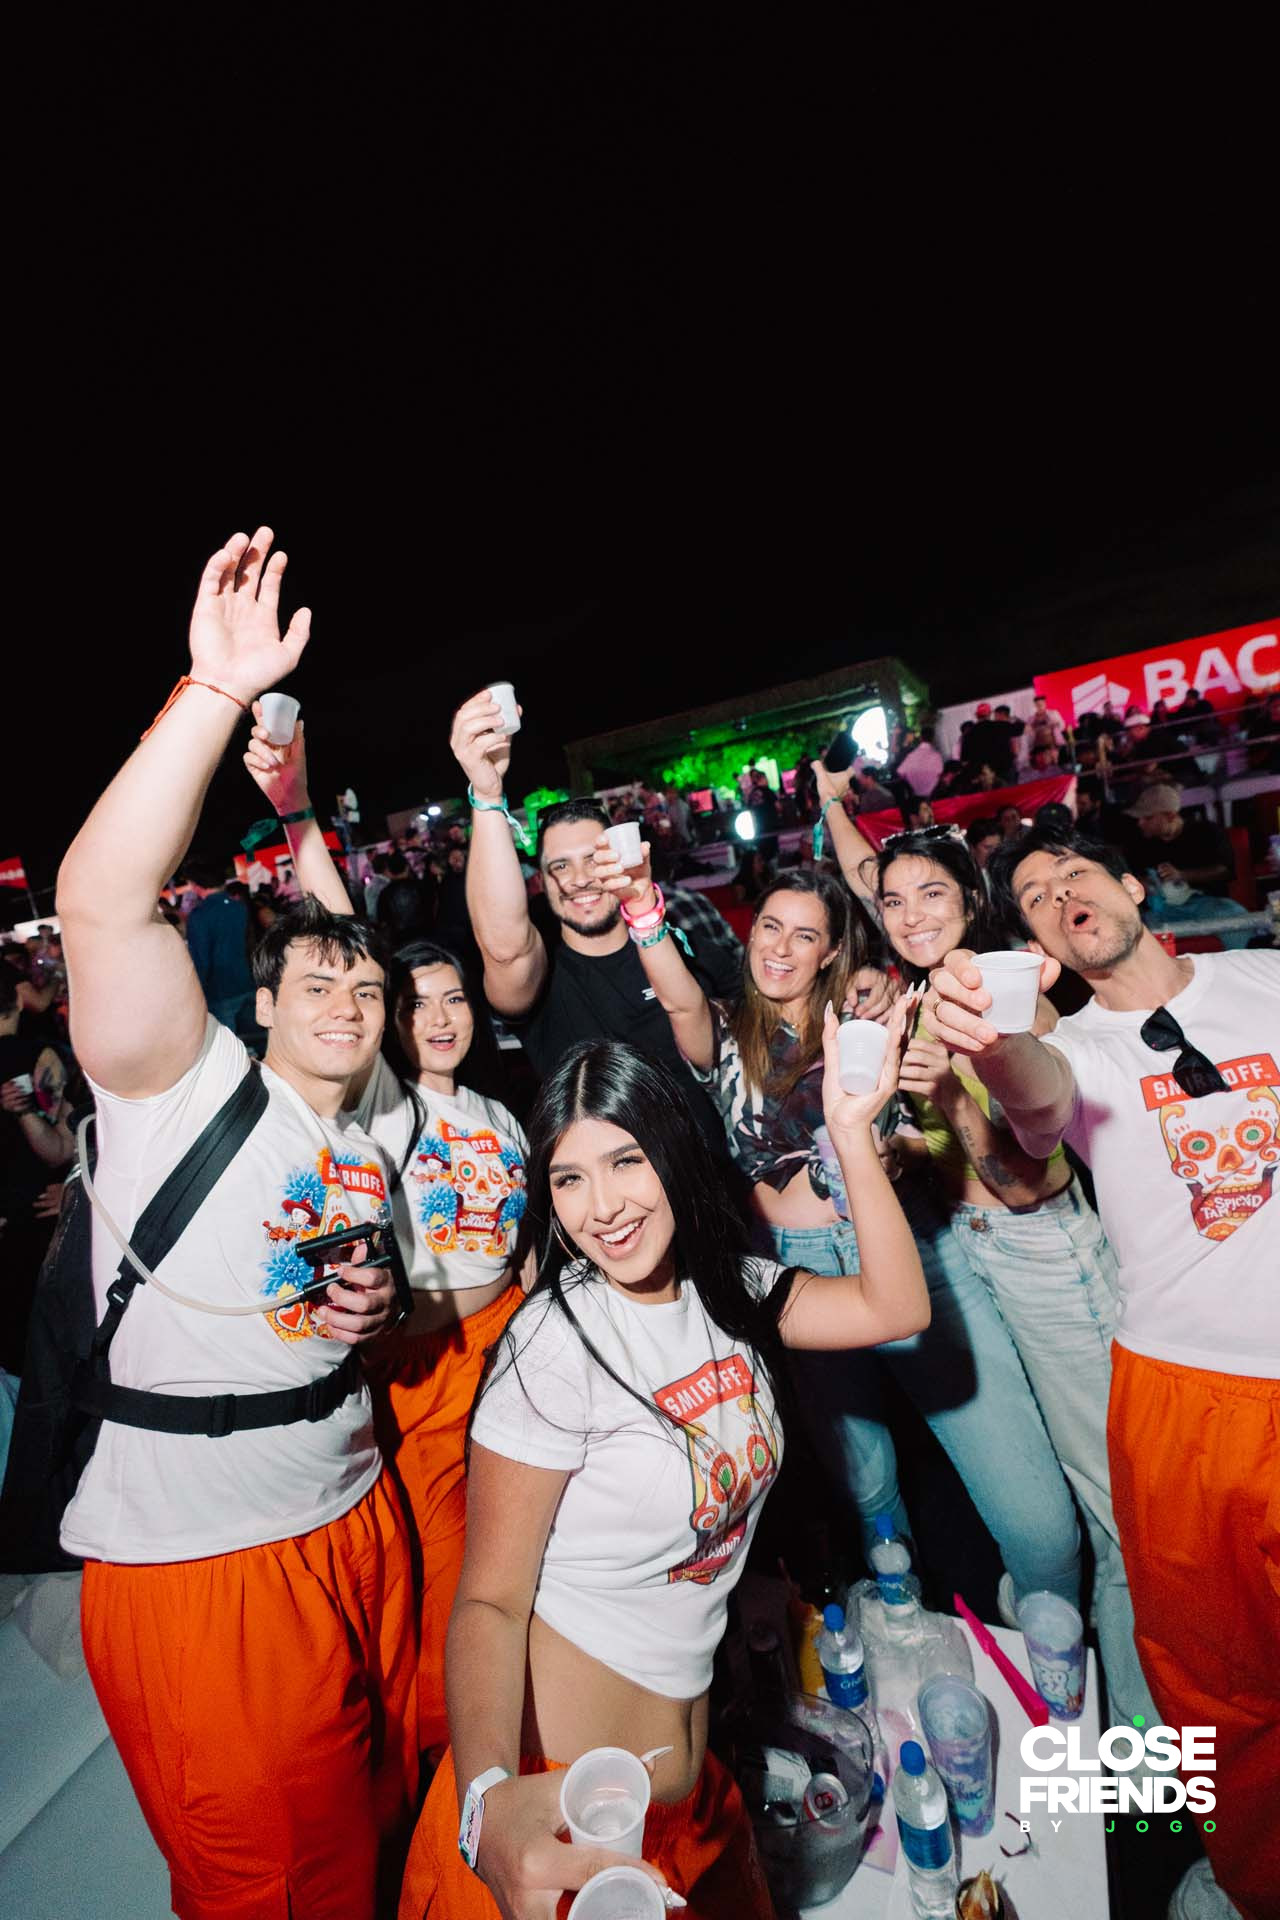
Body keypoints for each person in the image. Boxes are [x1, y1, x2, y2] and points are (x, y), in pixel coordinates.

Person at [56, 528, 416, 1920]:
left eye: (364, 993)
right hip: (205, 1565)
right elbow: (99, 902)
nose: (346, 1004)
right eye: (313, 986)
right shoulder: (179, 1081)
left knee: (381, 1831)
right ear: (258, 1006)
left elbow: (353, 942)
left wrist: (377, 1310)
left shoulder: (364, 1136)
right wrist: (213, 693)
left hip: (356, 1511)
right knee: (280, 1889)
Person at [397, 1033, 929, 1919]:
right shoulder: (553, 1346)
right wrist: (485, 1803)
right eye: (569, 1179)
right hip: (567, 1807)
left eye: (625, 1161)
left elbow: (895, 1306)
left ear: (673, 1152)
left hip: (694, 1789)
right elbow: (488, 1601)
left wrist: (847, 1132)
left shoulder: (734, 1291)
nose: (602, 1206)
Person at [593, 819, 1084, 1620]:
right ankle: (904, 1631)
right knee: (870, 1492)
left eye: (805, 935)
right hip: (798, 1275)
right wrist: (643, 906)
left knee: (1039, 1521)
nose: (781, 948)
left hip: (914, 1251)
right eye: (770, 928)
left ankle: (1055, 1647)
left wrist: (900, 1142)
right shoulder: (723, 1032)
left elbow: (937, 1112)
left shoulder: (873, 1016)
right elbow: (677, 992)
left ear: (831, 952)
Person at [928, 824, 1279, 1920]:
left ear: (1132, 885)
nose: (1057, 893)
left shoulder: (1262, 977)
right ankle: (1254, 1880)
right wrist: (991, 1043)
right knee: (1215, 1683)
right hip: (1180, 1400)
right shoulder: (1077, 1050)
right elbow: (1033, 1102)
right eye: (1033, 897)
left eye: (1072, 872)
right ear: (1038, 950)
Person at [243, 706, 529, 1761]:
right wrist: (298, 815)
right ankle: (452, 1780)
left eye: (454, 1000)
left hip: (513, 1358)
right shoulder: (385, 1106)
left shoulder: (501, 1117)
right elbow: (339, 929)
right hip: (422, 1378)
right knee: (448, 1590)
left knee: (530, 1566)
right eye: (412, 1003)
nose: (439, 1018)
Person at [867, 827, 1155, 1727]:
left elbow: (1028, 1181)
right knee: (1060, 1501)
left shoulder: (1010, 994)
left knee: (1122, 1514)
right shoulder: (921, 1000)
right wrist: (903, 1142)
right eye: (894, 900)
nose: (912, 915)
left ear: (970, 901)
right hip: (974, 1247)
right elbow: (951, 1155)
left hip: (1043, 1250)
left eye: (933, 894)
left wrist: (947, 1099)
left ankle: (1150, 1749)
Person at [447, 689, 746, 1142]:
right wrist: (488, 797)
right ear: (542, 881)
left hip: (708, 1173)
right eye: (560, 867)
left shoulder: (681, 947)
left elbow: (759, 1028)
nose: (580, 879)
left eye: (594, 859)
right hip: (602, 1180)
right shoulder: (542, 977)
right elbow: (505, 949)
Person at [184, 859, 259, 1042]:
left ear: (196, 885)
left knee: (228, 1045)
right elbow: (249, 944)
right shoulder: (238, 908)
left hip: (219, 990)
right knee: (256, 1039)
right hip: (246, 981)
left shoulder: (200, 915)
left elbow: (201, 960)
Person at [894, 725, 943, 799]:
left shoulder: (912, 752)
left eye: (913, 734)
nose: (913, 736)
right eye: (911, 734)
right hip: (930, 794)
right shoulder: (934, 755)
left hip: (915, 793)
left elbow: (900, 772)